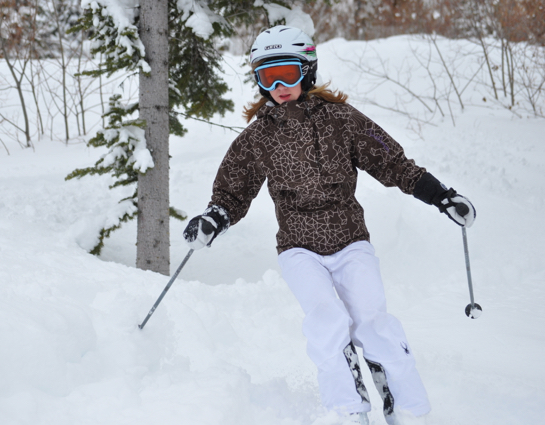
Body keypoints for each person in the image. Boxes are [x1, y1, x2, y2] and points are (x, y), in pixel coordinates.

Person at [182, 25, 476, 425]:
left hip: (351, 240)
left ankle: (406, 404)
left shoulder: (342, 119)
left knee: (372, 320)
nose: (280, 85)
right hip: (298, 248)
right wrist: (214, 218)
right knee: (325, 319)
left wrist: (440, 195)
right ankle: (347, 408)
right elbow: (234, 190)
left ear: (308, 70)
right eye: (269, 77)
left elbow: (391, 162)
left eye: (287, 72)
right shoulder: (258, 138)